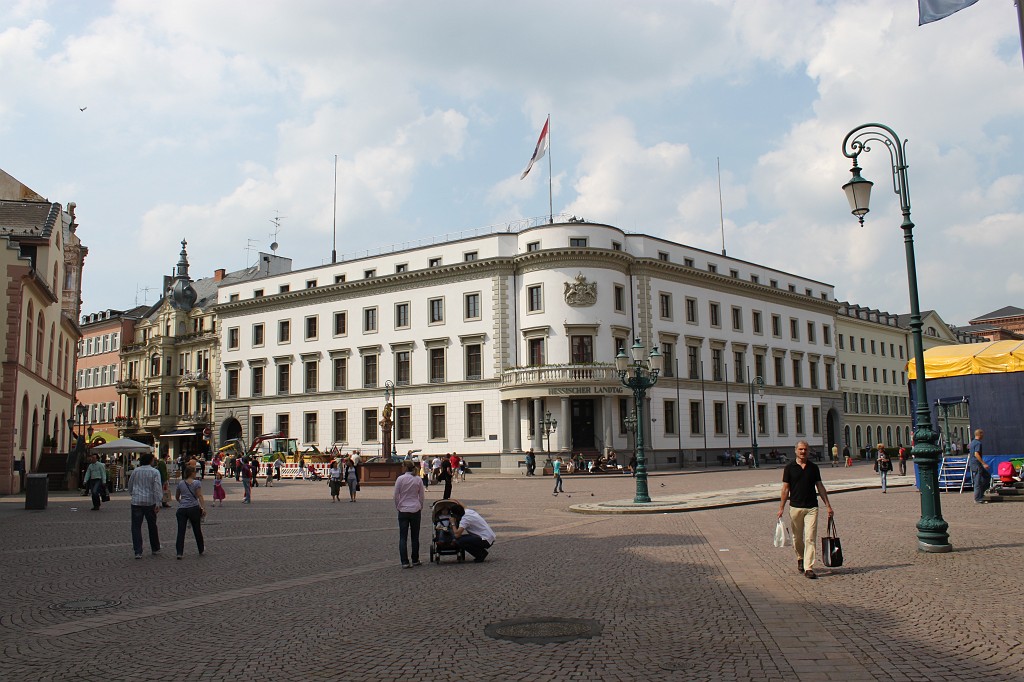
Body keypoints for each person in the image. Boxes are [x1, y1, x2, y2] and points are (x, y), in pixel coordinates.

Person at [778, 441, 833, 579]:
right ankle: (800, 557)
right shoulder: (789, 468)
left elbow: (820, 487)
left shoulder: (813, 468)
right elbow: (785, 489)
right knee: (797, 538)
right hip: (795, 507)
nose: (803, 452)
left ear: (808, 451)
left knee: (810, 537)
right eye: (801, 449)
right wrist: (781, 508)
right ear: (796, 450)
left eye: (805, 450)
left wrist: (828, 505)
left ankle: (809, 567)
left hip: (811, 507)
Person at [126, 452, 163, 559]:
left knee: (136, 526)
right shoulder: (155, 472)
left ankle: (138, 551)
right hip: (149, 502)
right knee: (152, 525)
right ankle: (155, 547)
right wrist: (158, 502)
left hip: (136, 501)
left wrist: (133, 494)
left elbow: (130, 484)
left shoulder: (136, 471)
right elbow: (157, 487)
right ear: (150, 460)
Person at [393, 460, 424, 568]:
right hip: (415, 509)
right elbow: (421, 496)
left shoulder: (400, 479)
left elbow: (396, 495)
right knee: (415, 537)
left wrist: (398, 506)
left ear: (405, 467)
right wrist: (420, 506)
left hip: (403, 509)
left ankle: (405, 561)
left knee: (403, 537)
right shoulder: (418, 479)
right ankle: (415, 559)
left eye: (402, 466)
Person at [174, 464, 205, 559]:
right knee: (197, 529)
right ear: (191, 473)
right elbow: (199, 495)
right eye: (195, 471)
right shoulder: (196, 483)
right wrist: (203, 507)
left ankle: (179, 552)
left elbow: (177, 496)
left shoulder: (181, 483)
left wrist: (181, 502)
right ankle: (201, 548)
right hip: (193, 507)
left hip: (182, 509)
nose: (196, 473)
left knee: (181, 531)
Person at [969, 429, 990, 504]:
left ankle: (980, 494)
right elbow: (976, 454)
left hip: (973, 463)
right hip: (977, 464)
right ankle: (978, 498)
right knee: (978, 481)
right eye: (982, 434)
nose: (983, 435)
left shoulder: (972, 443)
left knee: (987, 476)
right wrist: (984, 463)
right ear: (980, 434)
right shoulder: (978, 443)